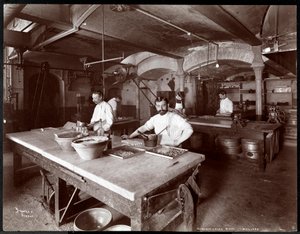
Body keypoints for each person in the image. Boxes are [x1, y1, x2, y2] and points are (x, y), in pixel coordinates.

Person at [126, 97, 193, 147]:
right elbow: (144, 128)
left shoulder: (175, 117)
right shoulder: (155, 118)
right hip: (159, 147)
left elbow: (189, 130)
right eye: (158, 106)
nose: (161, 108)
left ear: (168, 105)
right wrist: (130, 136)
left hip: (174, 147)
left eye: (163, 105)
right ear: (155, 106)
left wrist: (178, 142)